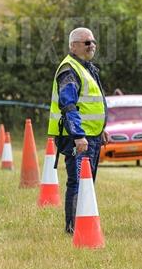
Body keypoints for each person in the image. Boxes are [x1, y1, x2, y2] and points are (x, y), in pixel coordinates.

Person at [47, 27, 109, 234]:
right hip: (77, 137)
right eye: (86, 42)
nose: (92, 45)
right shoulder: (69, 69)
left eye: (93, 41)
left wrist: (100, 129)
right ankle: (73, 227)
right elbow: (68, 105)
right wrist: (78, 135)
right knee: (77, 182)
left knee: (87, 182)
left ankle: (83, 223)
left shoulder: (86, 67)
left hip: (91, 135)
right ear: (73, 46)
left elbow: (89, 104)